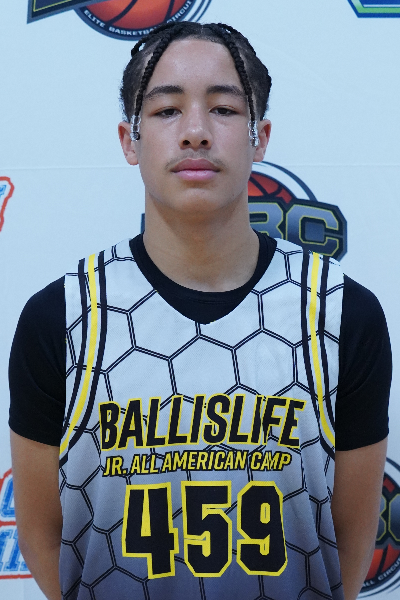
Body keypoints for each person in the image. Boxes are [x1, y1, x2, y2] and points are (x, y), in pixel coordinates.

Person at [9, 22, 391, 600]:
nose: (195, 132)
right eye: (166, 110)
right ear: (129, 140)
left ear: (260, 137)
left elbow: (349, 547)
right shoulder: (60, 319)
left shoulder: (342, 314)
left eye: (223, 109)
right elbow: (43, 537)